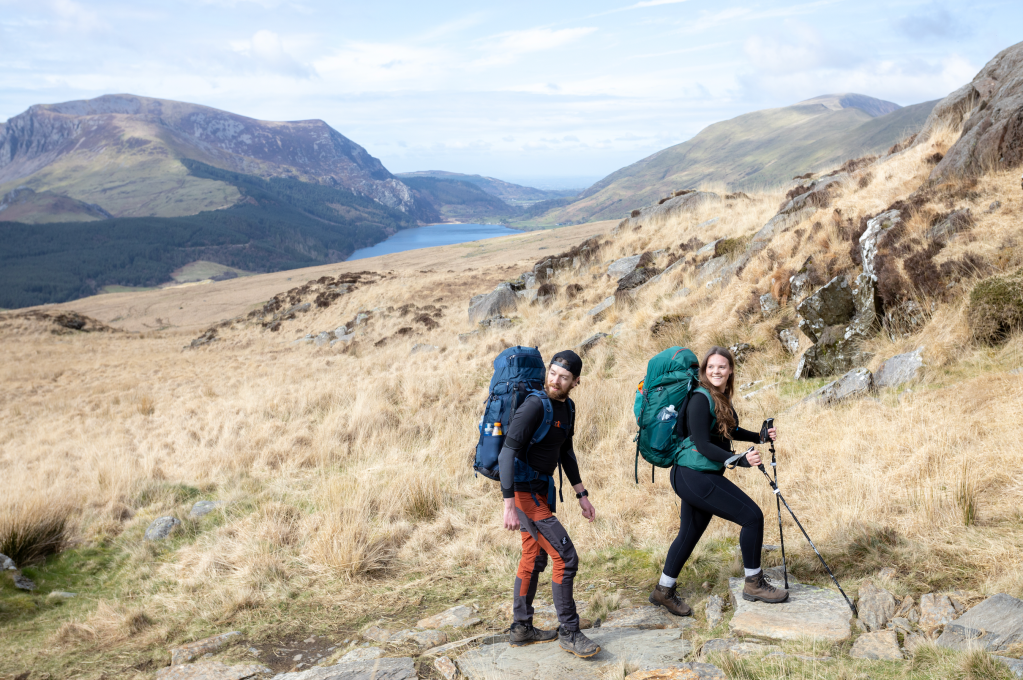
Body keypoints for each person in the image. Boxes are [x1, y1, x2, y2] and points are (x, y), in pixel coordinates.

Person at [648, 346, 787, 617]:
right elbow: (702, 443)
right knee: (752, 517)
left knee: (689, 534)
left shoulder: (718, 397)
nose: (716, 371)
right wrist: (738, 459)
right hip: (693, 475)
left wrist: (758, 437)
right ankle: (754, 583)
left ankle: (663, 591)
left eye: (721, 367)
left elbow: (727, 430)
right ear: (703, 370)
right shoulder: (701, 398)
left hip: (696, 475)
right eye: (711, 367)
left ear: (730, 370)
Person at [498, 350, 601, 659]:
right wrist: (508, 505)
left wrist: (582, 495)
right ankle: (569, 631)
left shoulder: (567, 407)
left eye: (564, 377)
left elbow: (565, 451)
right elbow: (506, 453)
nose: (555, 380)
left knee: (534, 557)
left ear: (576, 382)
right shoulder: (533, 406)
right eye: (553, 373)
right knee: (566, 557)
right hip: (524, 492)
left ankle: (521, 628)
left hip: (541, 490)